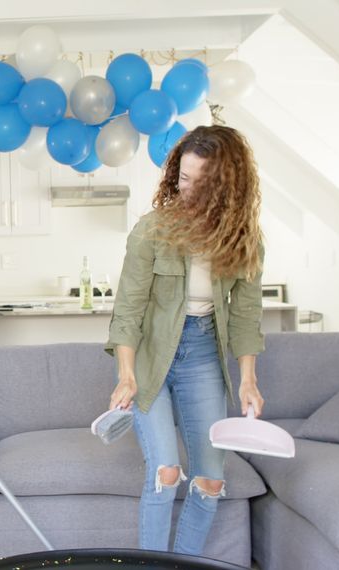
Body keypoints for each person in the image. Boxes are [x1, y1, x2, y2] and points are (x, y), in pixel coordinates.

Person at [104, 125, 266, 556]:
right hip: (151, 355)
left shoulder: (243, 239)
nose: (189, 191)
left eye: (201, 182)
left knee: (210, 481)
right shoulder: (152, 230)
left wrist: (248, 379)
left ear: (227, 186)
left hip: (203, 356)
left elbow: (247, 316)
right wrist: (125, 374)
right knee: (166, 471)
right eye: (184, 179)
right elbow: (129, 309)